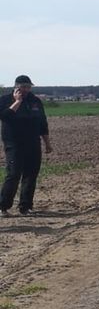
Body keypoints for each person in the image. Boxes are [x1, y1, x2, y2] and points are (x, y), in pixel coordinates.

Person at [1, 75, 52, 216]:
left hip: (33, 143)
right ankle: (3, 207)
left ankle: (26, 207)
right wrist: (17, 102)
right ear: (16, 87)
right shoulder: (5, 100)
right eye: (24, 87)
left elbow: (43, 124)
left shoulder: (35, 101)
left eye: (29, 87)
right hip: (14, 143)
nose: (27, 90)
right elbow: (5, 117)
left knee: (31, 175)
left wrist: (47, 143)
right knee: (13, 174)